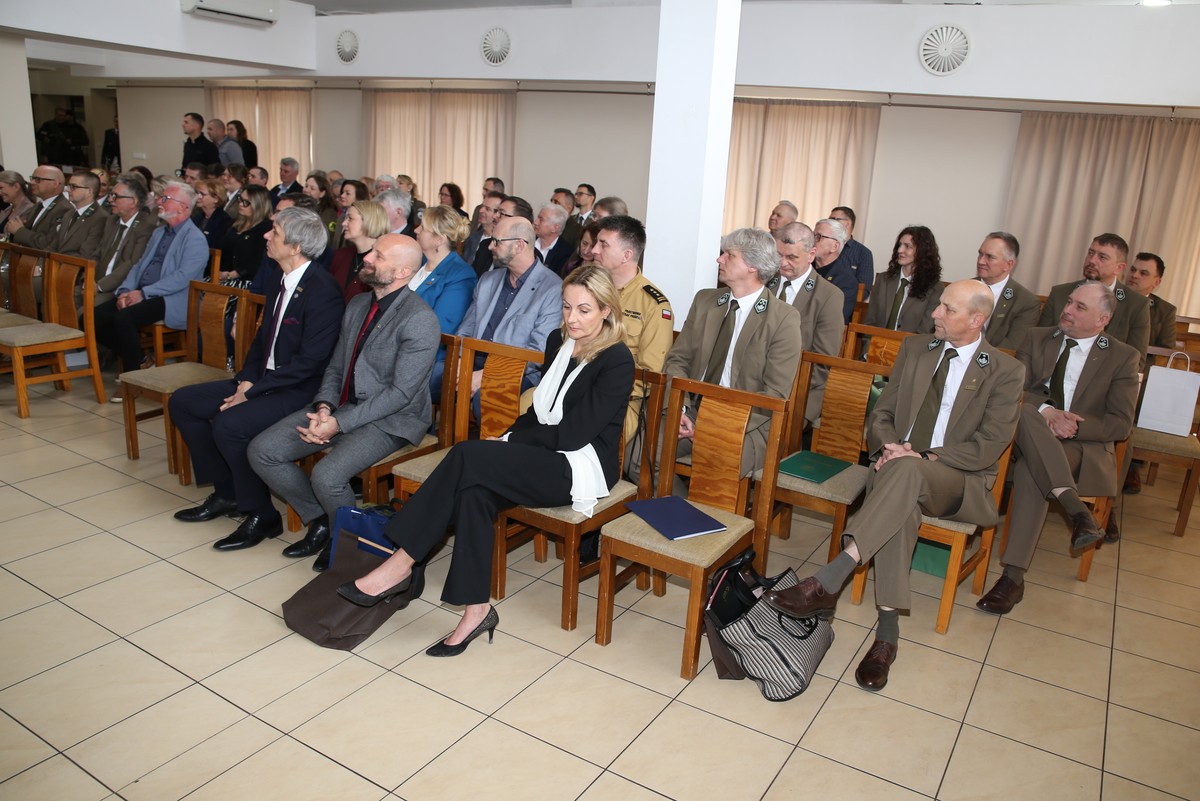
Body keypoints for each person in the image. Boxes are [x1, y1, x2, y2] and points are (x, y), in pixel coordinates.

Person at [337, 265, 635, 659]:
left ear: (606, 311)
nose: (572, 318)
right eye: (566, 307)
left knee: (466, 453)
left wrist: (511, 443)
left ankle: (401, 562)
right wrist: (510, 436)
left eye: (584, 310)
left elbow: (573, 434)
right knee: (474, 491)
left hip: (581, 466)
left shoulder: (617, 360)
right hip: (543, 451)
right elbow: (541, 411)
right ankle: (476, 610)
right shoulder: (558, 340)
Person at [763, 280, 1024, 691]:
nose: (935, 314)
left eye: (947, 310)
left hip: (959, 482)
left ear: (977, 320)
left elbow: (989, 445)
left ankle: (833, 576)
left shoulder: (1006, 371)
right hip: (898, 472)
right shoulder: (918, 349)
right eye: (938, 304)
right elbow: (881, 414)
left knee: (906, 474)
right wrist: (888, 446)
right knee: (902, 500)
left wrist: (921, 458)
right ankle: (886, 637)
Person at [249, 233, 441, 566]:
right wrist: (325, 406)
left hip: (392, 419)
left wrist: (338, 424)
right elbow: (337, 365)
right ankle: (323, 521)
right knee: (263, 451)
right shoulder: (357, 304)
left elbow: (400, 393)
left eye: (378, 256)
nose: (367, 258)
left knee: (327, 476)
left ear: (402, 272)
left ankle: (346, 543)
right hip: (342, 406)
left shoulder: (419, 319)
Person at [170, 207, 346, 551]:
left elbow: (310, 363)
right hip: (265, 380)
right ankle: (228, 493)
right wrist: (246, 382)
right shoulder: (281, 277)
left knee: (229, 425)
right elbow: (261, 343)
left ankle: (262, 514)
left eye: (275, 232)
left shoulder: (322, 291)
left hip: (300, 389)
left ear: (295, 247)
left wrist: (252, 394)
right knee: (184, 402)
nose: (266, 235)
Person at [976, 282, 1138, 615]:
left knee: (1031, 471)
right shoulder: (1037, 338)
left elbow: (1121, 423)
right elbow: (1013, 391)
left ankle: (1012, 576)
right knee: (1021, 409)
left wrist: (1073, 424)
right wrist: (1048, 412)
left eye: (1081, 307)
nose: (1067, 310)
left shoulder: (1122, 357)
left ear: (1102, 320)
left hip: (1081, 447)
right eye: (1069, 302)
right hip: (1025, 435)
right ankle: (1077, 511)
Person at [647, 228, 802, 491]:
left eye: (729, 255)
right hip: (692, 408)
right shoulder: (706, 301)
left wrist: (716, 424)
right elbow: (678, 359)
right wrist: (681, 408)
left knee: (716, 468)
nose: (719, 260)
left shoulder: (783, 319)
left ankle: (704, 525)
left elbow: (773, 394)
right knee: (643, 453)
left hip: (747, 421)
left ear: (752, 266)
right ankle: (678, 517)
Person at [95, 181, 209, 374]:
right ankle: (140, 359)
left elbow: (182, 278)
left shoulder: (195, 238)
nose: (158, 201)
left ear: (183, 207)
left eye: (165, 198)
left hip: (173, 298)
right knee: (96, 317)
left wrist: (144, 293)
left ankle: (131, 378)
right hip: (143, 291)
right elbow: (139, 265)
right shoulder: (159, 232)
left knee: (124, 318)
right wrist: (124, 291)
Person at [455, 215, 563, 398]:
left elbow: (538, 352)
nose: (490, 247)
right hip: (474, 360)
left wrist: (488, 374)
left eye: (496, 242)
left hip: (517, 371)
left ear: (519, 245)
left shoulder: (552, 288)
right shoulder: (488, 280)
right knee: (433, 377)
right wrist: (459, 362)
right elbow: (466, 329)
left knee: (487, 397)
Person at [588, 215, 673, 445]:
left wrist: (602, 389)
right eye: (596, 242)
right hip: (577, 385)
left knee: (582, 427)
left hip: (620, 401)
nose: (594, 249)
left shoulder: (653, 305)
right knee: (529, 403)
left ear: (626, 255)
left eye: (603, 244)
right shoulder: (586, 289)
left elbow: (650, 372)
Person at [771, 222, 846, 425]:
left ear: (812, 254)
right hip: (754, 385)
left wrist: (777, 387)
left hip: (800, 390)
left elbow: (822, 363)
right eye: (779, 255)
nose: (782, 263)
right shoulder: (765, 283)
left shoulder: (828, 296)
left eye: (792, 257)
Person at [1038, 233, 1150, 366]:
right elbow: (1040, 342)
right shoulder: (1060, 294)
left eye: (1102, 257)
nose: (1092, 260)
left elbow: (1136, 362)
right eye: (1091, 253)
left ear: (1119, 268)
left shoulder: (1136, 305)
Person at [412, 204, 477, 349]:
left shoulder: (461, 275)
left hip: (427, 355)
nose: (416, 230)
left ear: (439, 240)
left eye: (422, 228)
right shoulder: (416, 262)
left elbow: (442, 327)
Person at [865, 225, 945, 334]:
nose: (900, 250)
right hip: (877, 347)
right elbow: (869, 323)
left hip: (910, 349)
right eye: (899, 245)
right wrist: (868, 349)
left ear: (922, 251)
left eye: (907, 246)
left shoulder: (935, 288)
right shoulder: (883, 280)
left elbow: (924, 331)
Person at [93, 175, 156, 307]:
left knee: (86, 310)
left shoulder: (145, 227)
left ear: (133, 202)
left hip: (117, 288)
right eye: (111, 195)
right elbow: (97, 253)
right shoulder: (111, 221)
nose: (110, 200)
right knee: (62, 298)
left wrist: (99, 286)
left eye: (115, 196)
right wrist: (87, 280)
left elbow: (132, 264)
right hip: (94, 282)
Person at [974, 231, 1042, 350]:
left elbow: (1012, 346)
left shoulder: (1026, 302)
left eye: (990, 257)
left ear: (1008, 264)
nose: (981, 261)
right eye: (980, 254)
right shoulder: (962, 288)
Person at [329, 200, 389, 303]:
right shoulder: (340, 255)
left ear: (368, 221)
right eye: (345, 218)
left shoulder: (384, 260)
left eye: (350, 218)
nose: (344, 223)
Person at [217, 184, 272, 285]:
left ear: (258, 205)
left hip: (247, 281)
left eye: (246, 202)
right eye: (240, 199)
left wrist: (233, 274)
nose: (241, 204)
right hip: (222, 277)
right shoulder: (234, 224)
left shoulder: (266, 228)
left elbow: (259, 260)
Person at [5, 166, 72, 248]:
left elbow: (49, 243)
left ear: (55, 184)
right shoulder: (38, 206)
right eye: (32, 178)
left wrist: (19, 231)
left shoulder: (64, 209)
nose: (32, 182)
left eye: (38, 180)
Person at [1124, 252, 1177, 351]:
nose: (1134, 275)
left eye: (1143, 273)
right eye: (1133, 270)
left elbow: (1165, 351)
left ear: (1156, 282)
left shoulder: (1165, 311)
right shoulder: (1110, 296)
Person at [810, 218, 860, 324]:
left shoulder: (846, 282)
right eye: (812, 236)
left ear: (835, 246)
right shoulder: (804, 268)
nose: (812, 241)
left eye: (818, 237)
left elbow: (833, 320)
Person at [52, 171, 109, 260]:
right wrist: (41, 266)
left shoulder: (100, 218)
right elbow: (53, 246)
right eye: (68, 186)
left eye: (73, 187)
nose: (67, 190)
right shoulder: (69, 214)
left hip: (73, 270)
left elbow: (85, 255)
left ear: (89, 191)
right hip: (56, 266)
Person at [462, 189, 503, 272]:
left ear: (498, 214)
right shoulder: (472, 238)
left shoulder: (501, 243)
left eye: (487, 209)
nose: (481, 211)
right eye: (482, 207)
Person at [533, 202, 575, 274]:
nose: (535, 222)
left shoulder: (566, 253)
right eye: (537, 218)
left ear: (555, 228)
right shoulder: (528, 242)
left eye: (541, 219)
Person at [191, 178, 232, 249]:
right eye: (197, 193)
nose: (198, 197)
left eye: (202, 194)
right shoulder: (196, 217)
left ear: (216, 198)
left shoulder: (224, 221)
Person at [304, 172, 339, 242]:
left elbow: (324, 237)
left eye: (312, 188)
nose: (306, 190)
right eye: (306, 186)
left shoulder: (329, 213)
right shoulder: (299, 208)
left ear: (322, 193)